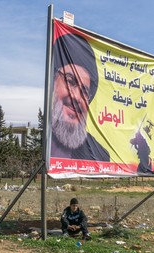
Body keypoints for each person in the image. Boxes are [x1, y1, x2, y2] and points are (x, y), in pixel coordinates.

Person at [51, 33, 109, 161]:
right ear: (52, 81)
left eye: (84, 91)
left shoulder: (102, 157)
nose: (76, 97)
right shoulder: (41, 145)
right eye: (70, 81)